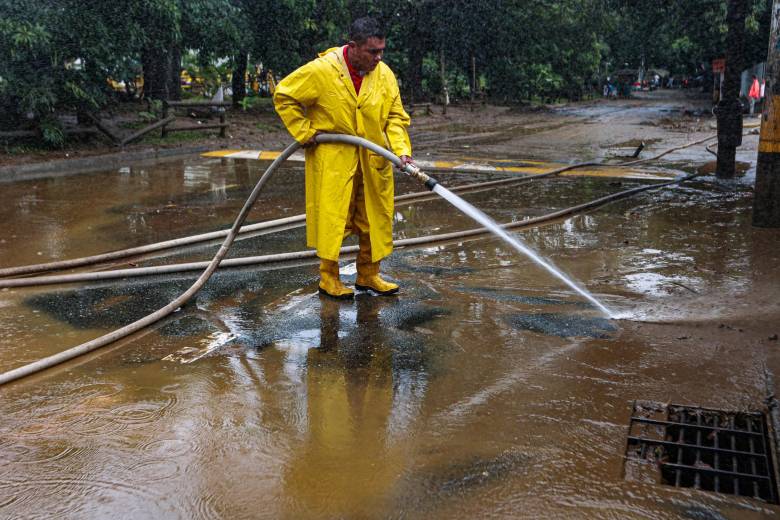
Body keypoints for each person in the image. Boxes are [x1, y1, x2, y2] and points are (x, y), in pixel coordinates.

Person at [273, 17, 413, 299]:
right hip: (335, 161)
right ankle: (329, 278)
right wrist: (304, 131)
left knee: (372, 220)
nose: (379, 57)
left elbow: (395, 117)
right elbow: (284, 94)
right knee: (333, 220)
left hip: (373, 161)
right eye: (373, 51)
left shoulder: (384, 74)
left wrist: (401, 150)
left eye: (382, 50)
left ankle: (369, 274)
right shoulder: (323, 71)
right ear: (353, 47)